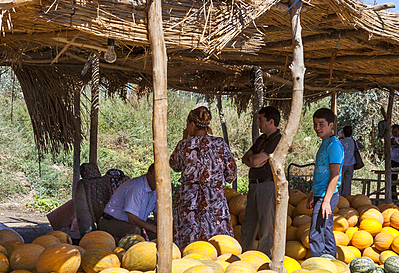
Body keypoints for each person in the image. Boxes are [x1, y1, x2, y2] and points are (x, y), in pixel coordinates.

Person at [170, 106, 238, 249]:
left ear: (192, 125)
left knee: (189, 243)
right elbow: (231, 172)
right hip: (214, 199)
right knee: (217, 242)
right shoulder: (220, 144)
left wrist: (184, 140)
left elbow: (174, 165)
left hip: (189, 200)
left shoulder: (184, 145)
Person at [240, 106, 281, 255]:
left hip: (268, 185)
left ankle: (263, 259)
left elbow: (255, 159)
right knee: (248, 224)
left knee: (266, 226)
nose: (258, 123)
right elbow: (247, 158)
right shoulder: (261, 139)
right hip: (254, 184)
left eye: (260, 120)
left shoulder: (278, 140)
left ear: (271, 121)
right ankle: (243, 257)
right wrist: (255, 161)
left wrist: (255, 160)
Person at [306, 108, 343, 258]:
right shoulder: (325, 143)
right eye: (315, 124)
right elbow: (321, 175)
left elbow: (335, 175)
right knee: (324, 230)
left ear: (331, 125)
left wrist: (326, 201)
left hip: (327, 195)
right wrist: (312, 195)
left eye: (321, 124)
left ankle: (319, 266)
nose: (317, 128)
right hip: (320, 194)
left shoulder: (333, 145)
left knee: (316, 232)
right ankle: (330, 262)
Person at [99, 164, 157, 240]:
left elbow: (157, 215)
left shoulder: (156, 190)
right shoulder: (137, 187)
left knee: (161, 230)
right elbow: (132, 218)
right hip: (111, 221)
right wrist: (153, 228)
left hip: (132, 220)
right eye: (157, 177)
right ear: (149, 175)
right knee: (135, 231)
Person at [338, 125, 361, 199]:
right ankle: (346, 199)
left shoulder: (340, 141)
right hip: (351, 164)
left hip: (341, 164)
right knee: (348, 183)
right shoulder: (353, 142)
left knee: (339, 183)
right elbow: (361, 147)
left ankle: (339, 198)